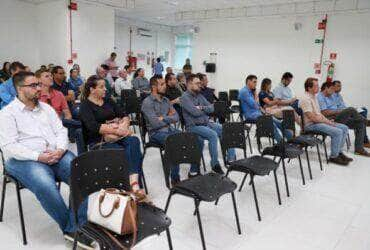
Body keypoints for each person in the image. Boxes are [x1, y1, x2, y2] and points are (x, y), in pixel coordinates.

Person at [0, 71, 93, 248]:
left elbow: (61, 131)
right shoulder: (7, 114)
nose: (39, 88)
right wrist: (38, 156)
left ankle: (74, 228)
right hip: (23, 159)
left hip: (54, 153)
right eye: (34, 85)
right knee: (45, 184)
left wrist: (60, 149)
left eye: (39, 84)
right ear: (20, 89)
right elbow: (9, 147)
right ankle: (73, 229)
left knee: (82, 174)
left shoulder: (46, 108)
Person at [79, 75, 144, 192]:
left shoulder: (108, 100)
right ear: (92, 90)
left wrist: (123, 126)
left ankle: (133, 183)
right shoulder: (85, 105)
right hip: (99, 141)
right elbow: (94, 127)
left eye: (105, 86)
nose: (105, 89)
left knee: (134, 141)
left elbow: (124, 115)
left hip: (118, 135)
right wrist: (117, 130)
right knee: (121, 152)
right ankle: (129, 188)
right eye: (101, 87)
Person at [141, 76, 201, 186]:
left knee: (193, 138)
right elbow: (155, 124)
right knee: (174, 142)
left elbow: (176, 117)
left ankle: (193, 172)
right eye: (162, 84)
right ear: (154, 87)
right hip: (156, 133)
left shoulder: (166, 100)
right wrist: (168, 118)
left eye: (164, 84)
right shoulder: (147, 103)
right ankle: (175, 178)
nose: (165, 87)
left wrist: (163, 118)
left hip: (170, 129)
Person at [180, 74, 236, 174]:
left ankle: (231, 159)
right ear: (189, 84)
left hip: (206, 123)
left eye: (199, 83)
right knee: (213, 135)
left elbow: (212, 108)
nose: (200, 85)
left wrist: (201, 108)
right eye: (197, 83)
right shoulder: (184, 97)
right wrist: (203, 110)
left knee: (226, 129)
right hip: (193, 127)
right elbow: (194, 112)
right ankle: (215, 164)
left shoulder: (199, 95)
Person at [299, 77, 351, 166]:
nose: (318, 88)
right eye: (316, 86)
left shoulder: (314, 97)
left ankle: (339, 152)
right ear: (309, 88)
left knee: (344, 128)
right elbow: (313, 118)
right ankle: (334, 157)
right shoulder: (305, 99)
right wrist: (328, 122)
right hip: (311, 125)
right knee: (337, 132)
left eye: (317, 85)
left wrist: (328, 121)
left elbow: (319, 114)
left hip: (318, 122)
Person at [317, 82, 370, 156]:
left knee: (360, 124)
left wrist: (342, 111)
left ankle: (359, 149)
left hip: (338, 117)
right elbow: (324, 113)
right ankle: (366, 122)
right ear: (326, 88)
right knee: (351, 110)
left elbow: (339, 107)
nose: (333, 92)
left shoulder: (331, 96)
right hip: (330, 119)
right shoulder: (320, 97)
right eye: (332, 89)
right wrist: (340, 111)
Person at [239, 75, 292, 143]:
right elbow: (254, 105)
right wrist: (256, 95)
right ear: (248, 81)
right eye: (254, 82)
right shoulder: (245, 92)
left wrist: (262, 110)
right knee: (271, 123)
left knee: (278, 122)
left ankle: (291, 139)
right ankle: (281, 142)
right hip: (251, 115)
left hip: (257, 113)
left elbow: (257, 105)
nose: (256, 84)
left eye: (256, 82)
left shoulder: (249, 91)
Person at [37, 69, 81, 143]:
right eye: (47, 76)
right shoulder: (36, 95)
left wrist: (61, 128)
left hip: (59, 122)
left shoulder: (59, 94)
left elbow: (67, 114)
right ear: (38, 79)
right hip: (43, 125)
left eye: (51, 75)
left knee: (78, 128)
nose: (50, 78)